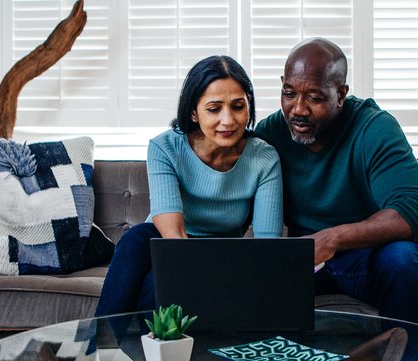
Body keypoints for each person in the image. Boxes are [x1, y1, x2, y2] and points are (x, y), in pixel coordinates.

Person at [254, 38, 418, 361]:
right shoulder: (269, 133)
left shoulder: (374, 127)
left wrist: (332, 238)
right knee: (255, 293)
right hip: (303, 262)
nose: (298, 109)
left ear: (341, 93)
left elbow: (414, 214)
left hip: (366, 258)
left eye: (315, 98)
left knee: (404, 258)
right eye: (289, 93)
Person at [93, 55, 283, 318]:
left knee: (150, 291)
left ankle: (93, 352)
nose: (228, 121)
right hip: (170, 247)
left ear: (249, 106)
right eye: (214, 109)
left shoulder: (264, 158)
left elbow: (267, 250)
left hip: (224, 254)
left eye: (238, 106)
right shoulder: (165, 148)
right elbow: (174, 238)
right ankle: (93, 351)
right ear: (194, 112)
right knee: (136, 239)